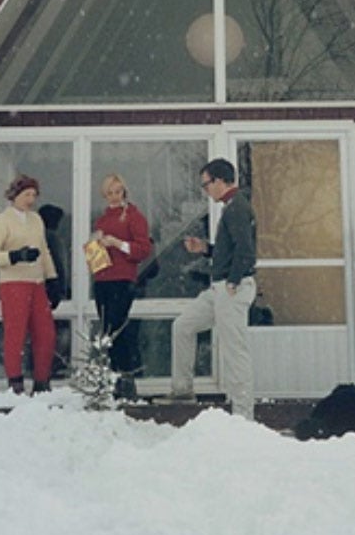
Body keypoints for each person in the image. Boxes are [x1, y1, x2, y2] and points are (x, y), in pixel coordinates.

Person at [169, 158, 258, 420]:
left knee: (234, 351)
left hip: (232, 288)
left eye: (206, 184)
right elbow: (230, 249)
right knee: (183, 326)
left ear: (219, 181)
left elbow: (246, 251)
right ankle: (183, 389)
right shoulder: (231, 207)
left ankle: (244, 416)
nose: (205, 190)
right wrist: (205, 248)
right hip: (220, 288)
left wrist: (233, 280)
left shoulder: (237, 208)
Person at [0, 175, 60, 394]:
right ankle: (15, 383)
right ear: (15, 195)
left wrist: (52, 278)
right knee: (15, 333)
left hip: (36, 283)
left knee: (46, 332)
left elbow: (44, 251)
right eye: (27, 194)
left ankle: (42, 382)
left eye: (34, 195)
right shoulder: (1, 222)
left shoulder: (36, 220)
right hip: (13, 283)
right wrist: (15, 256)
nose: (30, 199)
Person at [89, 173, 155, 399]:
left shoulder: (134, 217)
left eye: (118, 192)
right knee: (107, 332)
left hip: (123, 280)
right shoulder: (102, 220)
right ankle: (113, 380)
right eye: (110, 193)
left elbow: (143, 250)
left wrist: (116, 243)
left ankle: (126, 381)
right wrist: (94, 247)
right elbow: (96, 260)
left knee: (118, 330)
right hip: (102, 280)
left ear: (124, 191)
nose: (114, 197)